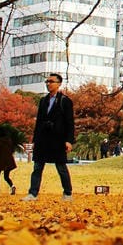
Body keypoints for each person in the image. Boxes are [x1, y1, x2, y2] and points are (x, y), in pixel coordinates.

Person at [24, 73, 75, 201]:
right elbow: (39, 121)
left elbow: (70, 122)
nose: (48, 84)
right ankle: (33, 193)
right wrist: (35, 140)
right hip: (43, 138)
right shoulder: (43, 101)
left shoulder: (65, 101)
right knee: (37, 166)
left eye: (51, 82)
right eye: (47, 82)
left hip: (58, 139)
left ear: (58, 84)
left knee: (61, 167)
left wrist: (69, 140)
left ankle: (68, 193)